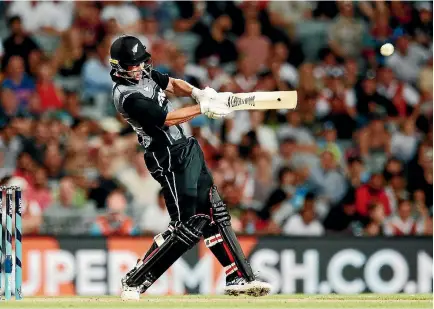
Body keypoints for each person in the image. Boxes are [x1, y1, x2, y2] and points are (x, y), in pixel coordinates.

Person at [109, 35, 270, 299]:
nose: (138, 69)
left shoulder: (145, 74)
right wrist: (203, 107)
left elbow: (172, 84)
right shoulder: (126, 96)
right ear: (118, 67)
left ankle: (239, 277)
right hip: (166, 158)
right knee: (187, 225)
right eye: (131, 66)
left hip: (185, 148)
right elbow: (167, 119)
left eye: (139, 63)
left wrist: (198, 92)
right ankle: (135, 280)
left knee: (214, 212)